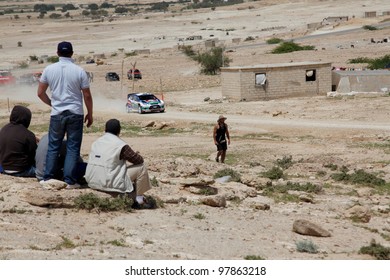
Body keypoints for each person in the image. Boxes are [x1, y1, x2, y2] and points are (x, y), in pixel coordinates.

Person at [37, 41, 93, 189]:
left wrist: (52, 104)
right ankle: (69, 181)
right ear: (72, 53)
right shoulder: (80, 71)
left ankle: (47, 178)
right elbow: (87, 95)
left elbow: (40, 92)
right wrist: (90, 113)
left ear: (57, 53)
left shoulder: (49, 69)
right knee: (73, 148)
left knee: (53, 146)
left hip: (57, 114)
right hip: (75, 113)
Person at [85, 119, 152, 207]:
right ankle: (139, 199)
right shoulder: (120, 144)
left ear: (105, 129)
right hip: (110, 182)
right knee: (141, 168)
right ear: (119, 130)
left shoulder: (96, 142)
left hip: (92, 181)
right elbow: (139, 160)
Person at [0, 105, 38, 177]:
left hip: (4, 168)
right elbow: (33, 155)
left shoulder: (4, 129)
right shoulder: (28, 134)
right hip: (21, 170)